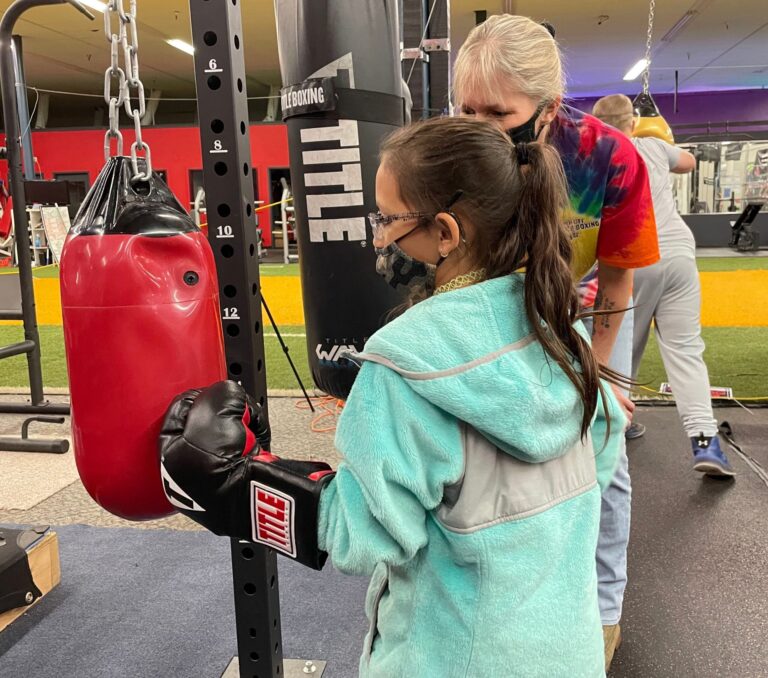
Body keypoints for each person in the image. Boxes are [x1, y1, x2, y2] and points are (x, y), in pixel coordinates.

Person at [158, 116, 626, 677]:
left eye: (387, 219)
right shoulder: (564, 334)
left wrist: (237, 489)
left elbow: (362, 535)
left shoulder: (404, 365)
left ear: (447, 233)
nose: (377, 237)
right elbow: (599, 464)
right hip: (565, 655)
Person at [451, 14, 661, 666]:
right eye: (466, 109)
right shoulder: (458, 149)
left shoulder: (611, 160)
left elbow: (620, 283)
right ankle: (491, 592)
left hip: (581, 304)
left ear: (546, 110)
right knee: (481, 447)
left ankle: (602, 611)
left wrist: (597, 382)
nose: (479, 126)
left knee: (604, 451)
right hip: (493, 299)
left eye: (497, 111)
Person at [592, 94, 735, 477]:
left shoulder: (595, 157)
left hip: (633, 261)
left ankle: (614, 425)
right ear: (633, 122)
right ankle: (706, 444)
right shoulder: (653, 146)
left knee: (623, 349)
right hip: (677, 257)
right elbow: (688, 162)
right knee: (686, 351)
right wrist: (660, 141)